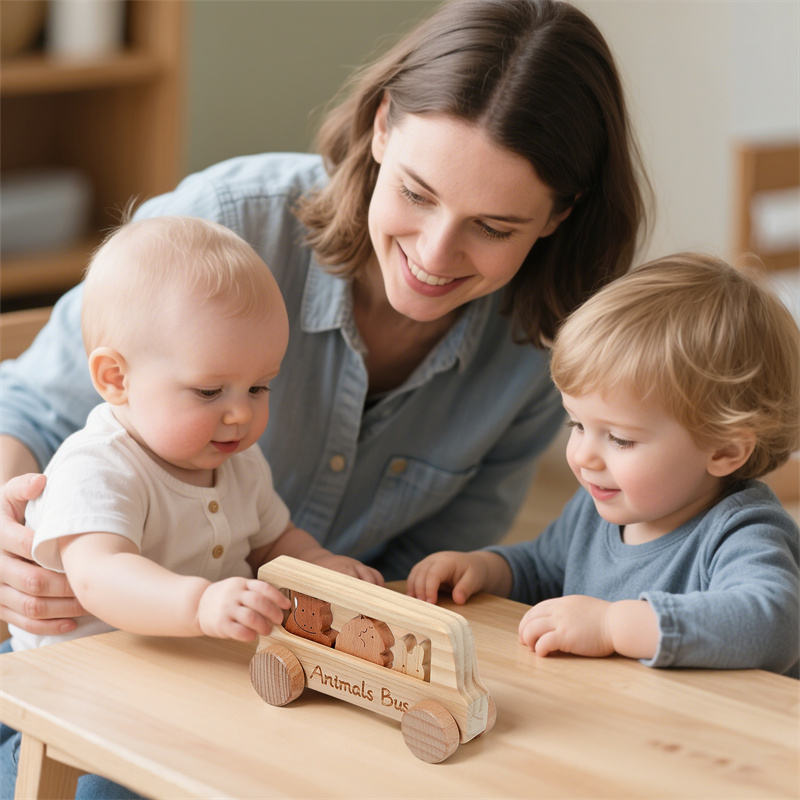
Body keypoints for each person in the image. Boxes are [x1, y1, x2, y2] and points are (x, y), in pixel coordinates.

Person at [0, 0, 649, 640]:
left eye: (493, 227)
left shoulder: (549, 345)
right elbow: (27, 410)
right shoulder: (222, 230)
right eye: (416, 193)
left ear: (559, 213)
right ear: (383, 126)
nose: (433, 254)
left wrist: (343, 592)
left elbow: (430, 568)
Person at [1, 215, 383, 799]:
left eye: (259, 387)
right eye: (210, 391)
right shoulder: (97, 466)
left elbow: (274, 539)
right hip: (73, 697)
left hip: (180, 684)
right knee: (103, 791)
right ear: (116, 378)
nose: (241, 413)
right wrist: (200, 603)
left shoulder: (239, 462)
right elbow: (101, 577)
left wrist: (319, 564)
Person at [407, 254, 800, 676]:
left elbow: (773, 625)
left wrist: (613, 625)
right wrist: (486, 569)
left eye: (620, 438)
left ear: (724, 451)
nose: (582, 456)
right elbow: (543, 569)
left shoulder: (742, 530)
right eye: (577, 424)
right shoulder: (596, 509)